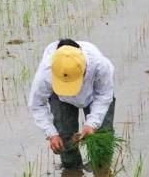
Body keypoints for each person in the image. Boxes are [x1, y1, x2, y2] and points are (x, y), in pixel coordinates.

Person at [28, 38, 115, 169]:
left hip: (94, 94)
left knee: (102, 139)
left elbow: (104, 95)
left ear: (85, 69)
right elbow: (37, 104)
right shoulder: (46, 72)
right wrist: (51, 133)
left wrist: (92, 124)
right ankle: (72, 174)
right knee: (65, 139)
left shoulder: (99, 65)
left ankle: (102, 172)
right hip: (60, 97)